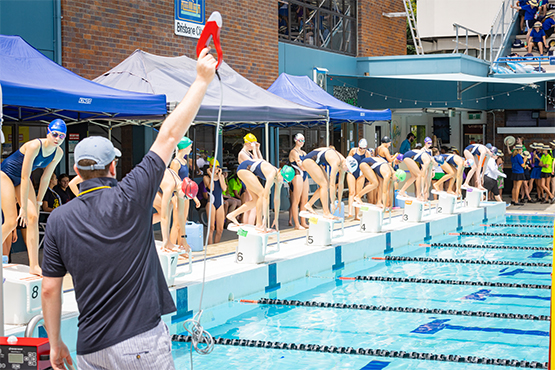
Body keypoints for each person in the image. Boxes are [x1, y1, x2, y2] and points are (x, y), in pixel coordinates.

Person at [41, 48, 217, 370]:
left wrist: (55, 343)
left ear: (77, 173)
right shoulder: (130, 195)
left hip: (89, 348)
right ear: (112, 169)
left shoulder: (58, 218)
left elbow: (51, 288)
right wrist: (202, 80)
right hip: (140, 343)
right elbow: (169, 135)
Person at [1, 118, 66, 275]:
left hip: (22, 179)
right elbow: (24, 176)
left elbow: (45, 178)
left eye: (62, 136)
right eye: (55, 134)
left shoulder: (58, 152)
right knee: (11, 221)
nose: (57, 139)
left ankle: (34, 265)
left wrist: (37, 202)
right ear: (48, 132)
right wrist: (22, 206)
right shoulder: (34, 145)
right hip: (6, 175)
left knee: (33, 218)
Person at [227, 160, 294, 231]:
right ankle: (259, 223)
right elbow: (265, 196)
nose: (283, 183)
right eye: (284, 180)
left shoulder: (278, 178)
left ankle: (232, 215)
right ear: (281, 173)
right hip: (244, 169)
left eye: (285, 182)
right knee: (262, 194)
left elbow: (277, 199)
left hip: (249, 173)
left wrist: (276, 218)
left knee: (255, 201)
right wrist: (264, 218)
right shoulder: (272, 173)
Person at [301, 147, 355, 219]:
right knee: (324, 184)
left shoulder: (343, 163)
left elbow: (341, 183)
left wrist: (339, 201)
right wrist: (332, 202)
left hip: (316, 161)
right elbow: (332, 184)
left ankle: (309, 204)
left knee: (325, 185)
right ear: (346, 165)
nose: (347, 172)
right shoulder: (336, 162)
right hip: (308, 160)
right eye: (348, 170)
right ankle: (326, 212)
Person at [152, 167, 195, 253]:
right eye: (185, 196)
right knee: (167, 208)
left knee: (165, 210)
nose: (185, 199)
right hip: (143, 187)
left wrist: (183, 238)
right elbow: (165, 217)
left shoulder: (180, 186)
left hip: (153, 185)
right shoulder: (170, 187)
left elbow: (181, 215)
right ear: (183, 190)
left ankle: (141, 226)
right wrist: (164, 241)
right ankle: (167, 241)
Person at [169, 136, 200, 249]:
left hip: (185, 196)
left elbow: (186, 182)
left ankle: (181, 247)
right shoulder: (175, 162)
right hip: (177, 195)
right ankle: (171, 247)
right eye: (190, 146)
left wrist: (194, 197)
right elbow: (172, 181)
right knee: (176, 224)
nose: (191, 148)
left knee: (183, 224)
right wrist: (174, 198)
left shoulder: (184, 161)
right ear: (185, 147)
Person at [346, 139, 372, 219]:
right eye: (360, 148)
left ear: (366, 147)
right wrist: (348, 169)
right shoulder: (353, 150)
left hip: (361, 174)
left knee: (358, 194)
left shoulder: (367, 153)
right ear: (358, 145)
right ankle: (350, 212)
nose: (361, 150)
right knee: (351, 192)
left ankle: (357, 215)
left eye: (363, 148)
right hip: (352, 173)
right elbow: (347, 160)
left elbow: (370, 164)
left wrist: (365, 174)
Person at [288, 133, 309, 229]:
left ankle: (303, 222)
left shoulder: (304, 153)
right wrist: (307, 167)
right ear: (295, 140)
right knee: (296, 200)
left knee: (304, 200)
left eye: (303, 140)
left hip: (304, 175)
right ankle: (296, 224)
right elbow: (301, 165)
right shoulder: (293, 152)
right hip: (297, 175)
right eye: (300, 140)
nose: (302, 142)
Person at [204, 159, 227, 244]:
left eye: (217, 167)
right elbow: (211, 188)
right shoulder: (206, 178)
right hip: (211, 203)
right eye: (213, 167)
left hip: (220, 203)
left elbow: (224, 188)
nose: (216, 169)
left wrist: (220, 176)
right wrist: (211, 176)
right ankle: (210, 247)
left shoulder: (221, 177)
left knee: (220, 229)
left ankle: (216, 246)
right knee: (211, 227)